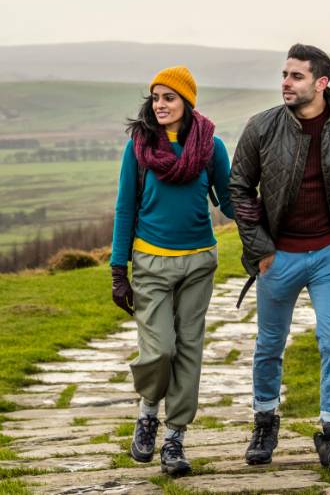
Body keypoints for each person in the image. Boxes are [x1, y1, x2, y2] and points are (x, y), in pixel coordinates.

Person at [229, 43, 330, 473]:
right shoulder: (262, 127)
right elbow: (239, 188)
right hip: (278, 257)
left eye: (296, 76)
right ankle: (265, 424)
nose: (285, 83)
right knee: (268, 346)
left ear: (321, 83)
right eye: (284, 74)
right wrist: (261, 250)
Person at [109, 66, 235, 477]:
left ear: (187, 102)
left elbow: (230, 202)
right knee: (160, 348)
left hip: (199, 261)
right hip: (150, 263)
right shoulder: (139, 148)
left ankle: (175, 438)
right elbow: (125, 207)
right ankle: (148, 411)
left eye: (169, 98)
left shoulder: (211, 147)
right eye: (156, 98)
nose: (160, 105)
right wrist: (118, 270)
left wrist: (265, 230)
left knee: (188, 350)